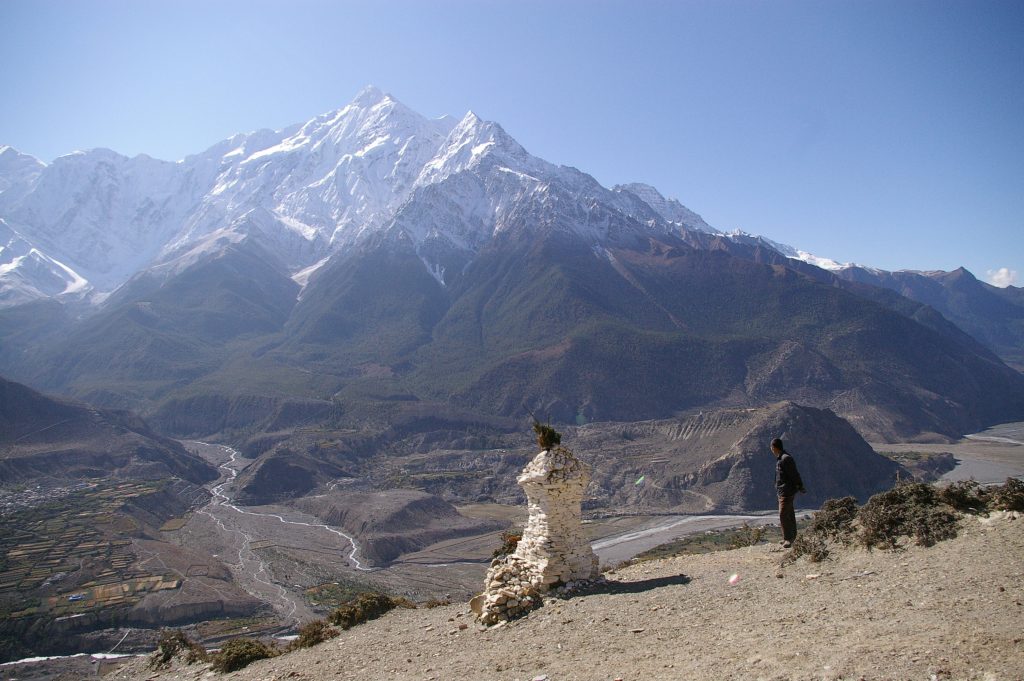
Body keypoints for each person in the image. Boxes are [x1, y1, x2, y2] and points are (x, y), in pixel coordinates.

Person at [771, 437, 805, 548]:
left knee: (783, 514)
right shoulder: (780, 459)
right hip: (782, 490)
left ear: (774, 447)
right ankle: (792, 536)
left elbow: (794, 474)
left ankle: (788, 539)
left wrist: (800, 486)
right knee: (789, 513)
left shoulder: (786, 459)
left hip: (787, 491)